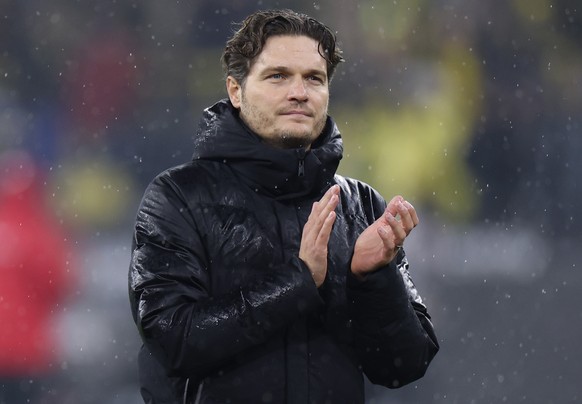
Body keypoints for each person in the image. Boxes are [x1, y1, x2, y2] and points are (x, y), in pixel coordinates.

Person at [129, 9, 439, 404]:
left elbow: (404, 365)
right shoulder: (177, 198)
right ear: (235, 91)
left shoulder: (361, 205)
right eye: (278, 76)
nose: (300, 92)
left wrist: (374, 278)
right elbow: (174, 340)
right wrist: (299, 280)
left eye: (314, 78)